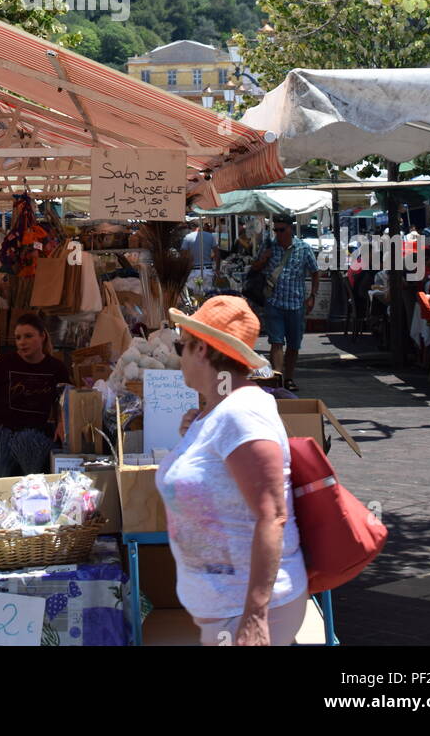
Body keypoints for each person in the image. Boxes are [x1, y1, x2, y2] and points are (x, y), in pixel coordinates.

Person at [156, 297, 308, 647]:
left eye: (182, 345)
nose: (178, 355)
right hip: (228, 610)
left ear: (202, 351)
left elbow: (272, 516)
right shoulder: (222, 409)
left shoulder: (242, 413)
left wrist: (255, 616)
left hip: (242, 612)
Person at [250, 212, 319, 391]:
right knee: (276, 341)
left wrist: (312, 296)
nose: (278, 234)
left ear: (290, 229)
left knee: (294, 344)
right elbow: (254, 268)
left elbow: (315, 271)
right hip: (274, 302)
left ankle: (289, 378)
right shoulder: (269, 246)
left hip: (296, 304)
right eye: (276, 230)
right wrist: (264, 258)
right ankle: (278, 378)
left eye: (281, 230)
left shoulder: (303, 248)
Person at [0, 312, 71, 434]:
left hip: (35, 437)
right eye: (18, 338)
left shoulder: (56, 368)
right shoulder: (4, 362)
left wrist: (62, 424)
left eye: (28, 336)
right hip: (0, 434)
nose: (22, 342)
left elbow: (64, 401)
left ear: (42, 336)